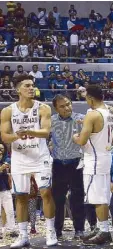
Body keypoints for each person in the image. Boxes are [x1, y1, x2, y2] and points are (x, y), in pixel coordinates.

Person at [0, 74, 57, 248]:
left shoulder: (43, 108)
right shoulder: (8, 111)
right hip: (20, 159)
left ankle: (50, 231)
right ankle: (23, 235)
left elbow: (46, 132)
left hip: (40, 157)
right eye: (27, 86)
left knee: (46, 193)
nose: (31, 88)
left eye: (32, 85)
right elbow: (4, 136)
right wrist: (16, 135)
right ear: (18, 90)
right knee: (21, 197)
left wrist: (30, 132)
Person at [73, 84, 113, 245]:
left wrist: (75, 137)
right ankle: (100, 227)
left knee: (98, 198)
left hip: (95, 159)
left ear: (91, 98)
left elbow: (82, 140)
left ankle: (104, 230)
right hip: (106, 156)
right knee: (103, 195)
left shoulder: (92, 114)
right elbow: (112, 139)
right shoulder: (110, 112)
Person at [49, 94, 87, 240]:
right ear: (56, 108)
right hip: (58, 164)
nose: (67, 108)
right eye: (62, 106)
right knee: (57, 200)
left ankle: (79, 229)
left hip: (76, 163)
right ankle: (57, 230)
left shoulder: (81, 118)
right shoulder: (51, 121)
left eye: (68, 104)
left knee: (77, 198)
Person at [0, 143, 16, 238]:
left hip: (5, 189)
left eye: (2, 149)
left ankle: (12, 230)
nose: (0, 151)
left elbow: (10, 168)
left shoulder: (6, 160)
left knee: (10, 211)